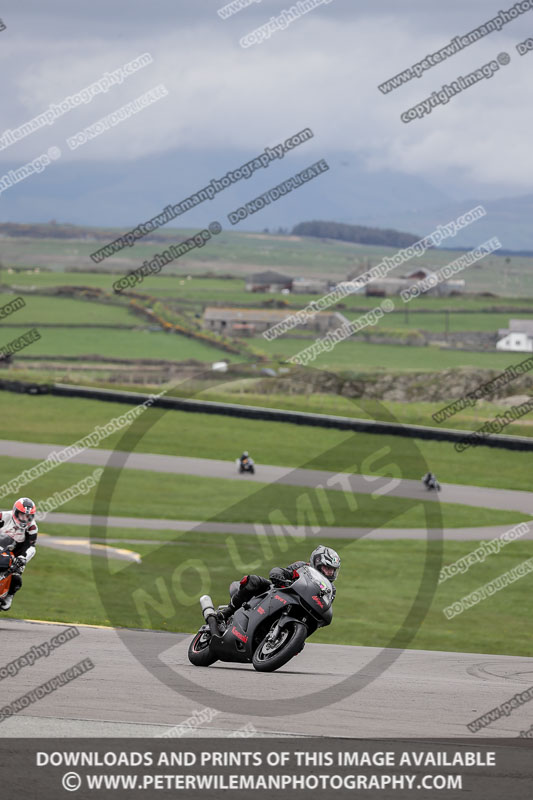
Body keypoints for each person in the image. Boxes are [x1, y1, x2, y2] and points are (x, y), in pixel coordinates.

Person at [217, 545, 341, 622]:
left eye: (332, 570)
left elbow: (324, 606)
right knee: (253, 581)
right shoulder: (302, 567)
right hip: (277, 594)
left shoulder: (331, 590)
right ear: (317, 562)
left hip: (299, 610)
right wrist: (279, 577)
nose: (330, 573)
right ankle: (227, 612)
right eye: (327, 568)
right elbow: (282, 571)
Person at [0, 497, 38, 610]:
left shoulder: (32, 527)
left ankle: (9, 596)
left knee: (16, 577)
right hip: (1, 547)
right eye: (22, 515)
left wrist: (23, 558)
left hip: (17, 554)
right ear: (15, 512)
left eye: (29, 516)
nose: (25, 519)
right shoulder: (3, 516)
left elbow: (31, 546)